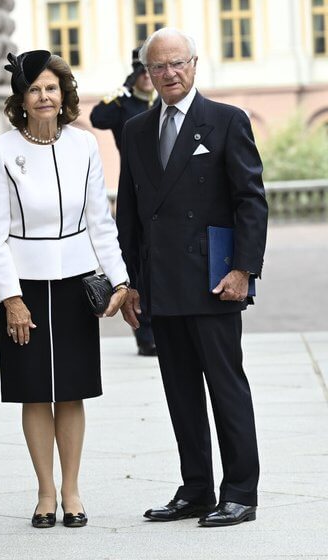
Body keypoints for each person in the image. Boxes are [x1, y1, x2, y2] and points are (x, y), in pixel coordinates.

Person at [116, 28, 267, 527]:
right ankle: (197, 488)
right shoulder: (137, 130)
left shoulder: (225, 121)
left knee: (226, 389)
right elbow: (132, 216)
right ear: (147, 73)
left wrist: (243, 269)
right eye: (159, 67)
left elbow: (251, 200)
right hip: (160, 285)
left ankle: (241, 492)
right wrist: (131, 282)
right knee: (179, 393)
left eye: (178, 63)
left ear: (195, 65)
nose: (170, 74)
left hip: (214, 280)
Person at [0, 50, 130, 529]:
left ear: (63, 93)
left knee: (71, 391)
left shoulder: (84, 145)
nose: (44, 97)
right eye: (34, 89)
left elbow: (99, 221)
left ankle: (71, 490)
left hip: (76, 282)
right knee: (32, 392)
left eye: (51, 88)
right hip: (23, 285)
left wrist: (121, 279)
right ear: (21, 98)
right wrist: (10, 298)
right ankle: (44, 491)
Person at [90, 48, 158, 356]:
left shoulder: (164, 102)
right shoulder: (124, 103)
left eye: (149, 72)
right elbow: (97, 118)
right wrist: (122, 89)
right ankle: (145, 335)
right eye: (141, 73)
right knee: (136, 262)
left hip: (167, 190)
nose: (147, 78)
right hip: (135, 186)